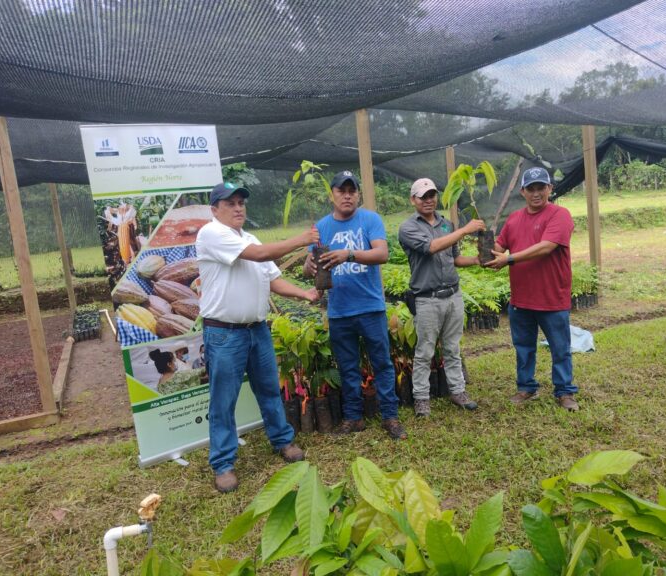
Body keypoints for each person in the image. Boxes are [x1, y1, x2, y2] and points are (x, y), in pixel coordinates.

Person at [196, 181, 321, 493]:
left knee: (269, 389)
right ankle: (223, 464)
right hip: (224, 334)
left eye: (241, 203)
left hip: (257, 330)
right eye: (230, 203)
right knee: (224, 400)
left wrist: (304, 294)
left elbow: (273, 281)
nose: (239, 208)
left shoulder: (248, 237)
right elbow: (261, 254)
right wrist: (302, 238)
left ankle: (282, 440)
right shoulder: (211, 233)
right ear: (215, 210)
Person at [303, 171, 407, 440]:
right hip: (339, 311)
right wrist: (309, 265)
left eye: (352, 190)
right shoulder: (322, 227)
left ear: (358, 194)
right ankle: (353, 418)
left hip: (370, 307)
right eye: (341, 190)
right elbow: (307, 269)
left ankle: (389, 416)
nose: (347, 195)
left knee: (381, 363)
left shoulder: (369, 219)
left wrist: (348, 254)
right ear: (332, 195)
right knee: (347, 367)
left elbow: (382, 253)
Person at [486, 167, 579, 411]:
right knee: (524, 347)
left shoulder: (560, 214)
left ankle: (564, 391)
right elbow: (499, 244)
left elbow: (546, 247)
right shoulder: (514, 219)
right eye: (531, 189)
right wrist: (484, 243)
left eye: (541, 187)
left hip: (552, 298)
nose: (536, 193)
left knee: (560, 349)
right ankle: (526, 387)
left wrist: (509, 259)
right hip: (521, 299)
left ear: (550, 188)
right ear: (523, 192)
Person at [398, 178, 486, 417]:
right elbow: (431, 247)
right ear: (413, 200)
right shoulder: (408, 228)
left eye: (432, 195)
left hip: (453, 296)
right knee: (425, 350)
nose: (428, 200)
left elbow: (454, 259)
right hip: (427, 299)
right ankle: (421, 398)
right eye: (423, 196)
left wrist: (478, 261)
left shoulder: (447, 224)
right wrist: (465, 230)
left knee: (452, 347)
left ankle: (458, 391)